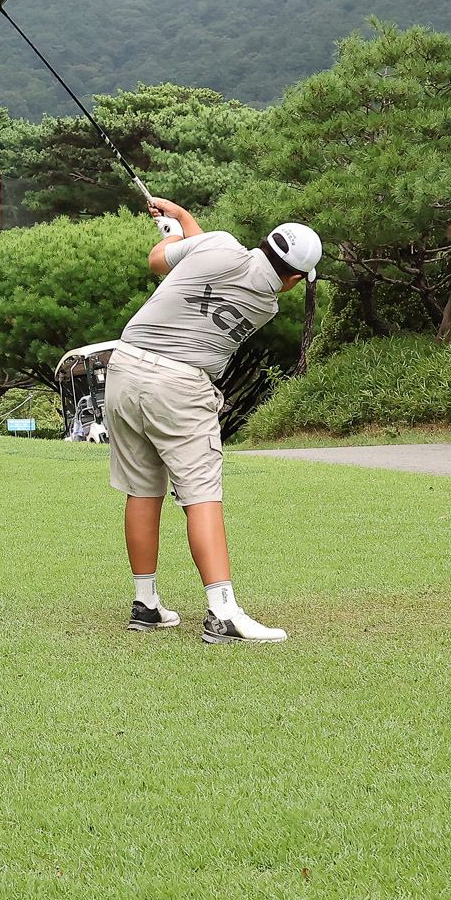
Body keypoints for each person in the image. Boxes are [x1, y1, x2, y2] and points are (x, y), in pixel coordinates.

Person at [106, 198, 321, 644]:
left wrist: (176, 230)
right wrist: (182, 222)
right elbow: (204, 258)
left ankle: (145, 604)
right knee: (201, 494)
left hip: (124, 368)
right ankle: (223, 614)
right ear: (295, 278)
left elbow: (162, 262)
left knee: (143, 489)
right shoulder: (267, 304)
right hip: (180, 386)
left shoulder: (219, 246)